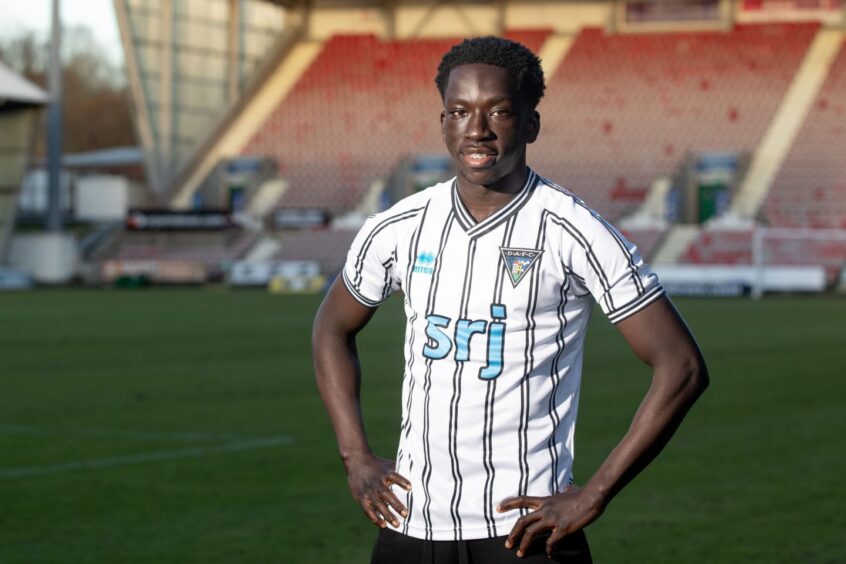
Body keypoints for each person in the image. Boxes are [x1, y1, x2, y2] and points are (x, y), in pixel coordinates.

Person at [312, 36, 708, 563]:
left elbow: (680, 366)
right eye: (459, 112)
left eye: (498, 111)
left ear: (530, 124)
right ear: (443, 122)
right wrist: (354, 456)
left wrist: (595, 493)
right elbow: (331, 329)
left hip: (524, 534)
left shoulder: (574, 231)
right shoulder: (398, 228)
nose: (476, 129)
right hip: (409, 524)